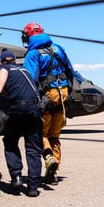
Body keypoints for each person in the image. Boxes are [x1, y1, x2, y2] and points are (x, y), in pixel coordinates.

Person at [22, 22, 75, 184]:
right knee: (55, 136)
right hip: (63, 97)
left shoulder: (32, 54)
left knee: (41, 134)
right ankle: (54, 172)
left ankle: (48, 157)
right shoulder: (59, 48)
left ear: (28, 35)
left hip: (46, 97)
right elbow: (70, 71)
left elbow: (30, 79)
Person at [0, 49, 43, 197]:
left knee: (10, 141)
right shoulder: (25, 70)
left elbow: (3, 73)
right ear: (15, 60)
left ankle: (16, 176)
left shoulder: (2, 68)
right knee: (33, 148)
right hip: (34, 109)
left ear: (1, 61)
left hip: (17, 109)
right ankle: (33, 187)